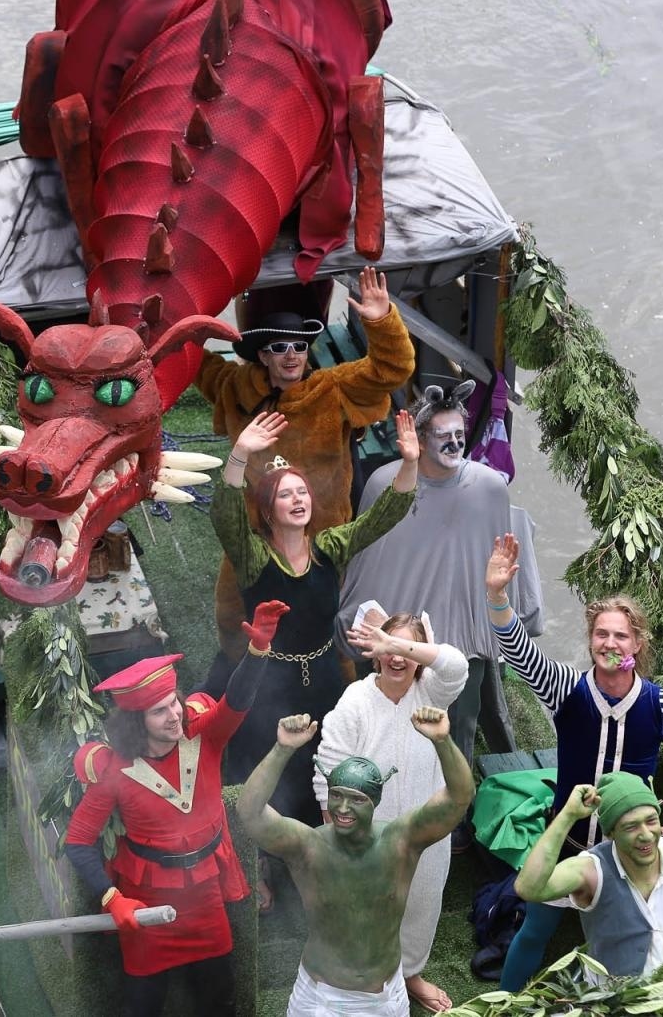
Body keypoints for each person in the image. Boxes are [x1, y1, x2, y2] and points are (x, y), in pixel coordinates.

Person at [484, 533, 663, 991]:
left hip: (629, 856)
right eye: (601, 634)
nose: (610, 643)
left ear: (637, 642)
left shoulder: (662, 706)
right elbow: (517, 649)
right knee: (534, 932)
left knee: (627, 946)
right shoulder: (566, 689)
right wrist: (497, 595)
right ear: (591, 640)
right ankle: (504, 1002)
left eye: (621, 634)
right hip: (570, 846)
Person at [201, 407, 419, 909]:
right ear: (268, 508)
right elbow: (224, 517)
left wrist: (408, 462)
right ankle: (258, 864)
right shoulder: (255, 555)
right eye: (285, 494)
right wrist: (239, 456)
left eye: (301, 492)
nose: (297, 500)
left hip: (321, 675)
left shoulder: (329, 547)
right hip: (267, 682)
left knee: (321, 763)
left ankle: (320, 858)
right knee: (261, 767)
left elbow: (384, 515)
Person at [64, 600, 289, 1017]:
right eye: (158, 710)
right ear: (136, 722)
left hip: (204, 898)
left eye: (173, 702)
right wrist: (114, 899)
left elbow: (236, 702)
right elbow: (78, 842)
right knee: (143, 1005)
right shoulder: (112, 770)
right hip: (147, 904)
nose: (174, 715)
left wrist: (257, 650)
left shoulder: (204, 735)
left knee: (220, 997)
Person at [196, 266, 416, 662]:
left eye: (299, 345)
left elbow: (393, 369)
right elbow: (193, 360)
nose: (291, 355)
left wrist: (382, 321)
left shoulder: (332, 389)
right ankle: (238, 674)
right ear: (263, 355)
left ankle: (336, 682)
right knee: (233, 610)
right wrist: (182, 316)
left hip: (320, 536)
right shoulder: (235, 388)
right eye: (280, 348)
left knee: (325, 618)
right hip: (255, 535)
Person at [333, 381, 545, 788]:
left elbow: (500, 564)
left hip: (465, 642)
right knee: (387, 723)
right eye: (443, 436)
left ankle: (453, 815)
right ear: (419, 437)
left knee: (457, 731)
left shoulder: (488, 487)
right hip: (398, 642)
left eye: (459, 436)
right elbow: (368, 567)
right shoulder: (384, 485)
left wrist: (497, 632)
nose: (453, 444)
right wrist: (373, 630)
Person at [236, 707, 473, 1016]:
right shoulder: (308, 846)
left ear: (374, 801)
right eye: (336, 795)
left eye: (357, 799)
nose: (343, 808)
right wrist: (283, 748)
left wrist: (442, 741)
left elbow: (459, 797)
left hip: (385, 997)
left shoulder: (401, 842)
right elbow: (249, 812)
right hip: (320, 999)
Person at [311, 612, 469, 1012]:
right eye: (386, 649)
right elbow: (326, 767)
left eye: (405, 649)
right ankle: (367, 978)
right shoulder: (357, 701)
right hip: (367, 838)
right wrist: (338, 839)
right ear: (373, 656)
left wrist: (394, 642)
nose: (397, 659)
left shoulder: (434, 693)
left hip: (427, 834)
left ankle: (411, 973)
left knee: (421, 902)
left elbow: (456, 664)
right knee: (366, 911)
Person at [514, 773, 663, 978]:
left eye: (651, 821)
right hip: (628, 998)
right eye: (631, 827)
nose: (646, 835)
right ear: (611, 833)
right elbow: (529, 888)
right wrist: (568, 815)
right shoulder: (592, 870)